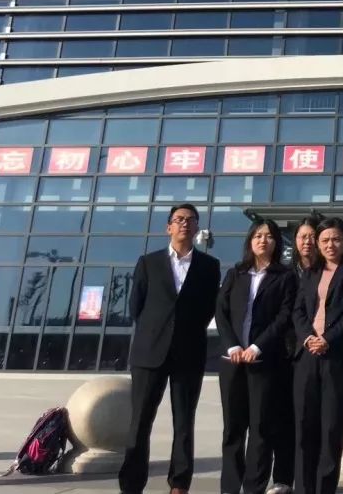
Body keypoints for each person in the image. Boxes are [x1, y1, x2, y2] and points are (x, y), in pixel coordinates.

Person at [119, 203, 221, 494]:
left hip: (188, 353)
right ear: (169, 227)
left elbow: (208, 308)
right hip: (149, 353)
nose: (185, 223)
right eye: (179, 219)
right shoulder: (148, 262)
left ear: (197, 227)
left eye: (191, 220)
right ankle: (131, 485)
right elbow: (136, 306)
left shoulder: (209, 266)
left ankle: (179, 483)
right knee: (140, 422)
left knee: (184, 423)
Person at [215, 220, 299, 494]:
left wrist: (257, 347)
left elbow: (284, 316)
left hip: (264, 362)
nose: (263, 240)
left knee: (261, 428)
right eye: (258, 235)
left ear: (277, 243)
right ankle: (230, 487)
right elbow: (221, 312)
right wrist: (232, 346)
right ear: (250, 241)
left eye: (269, 236)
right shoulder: (236, 273)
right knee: (233, 428)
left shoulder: (285, 276)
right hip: (233, 362)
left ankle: (254, 487)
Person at [291, 217, 343, 494]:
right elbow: (298, 310)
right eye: (324, 240)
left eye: (336, 239)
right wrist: (308, 337)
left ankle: (325, 488)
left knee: (331, 426)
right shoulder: (310, 272)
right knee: (304, 425)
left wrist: (327, 339)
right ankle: (304, 487)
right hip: (307, 355)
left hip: (336, 356)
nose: (330, 244)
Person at [269, 215, 323, 494]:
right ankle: (282, 478)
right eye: (302, 236)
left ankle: (312, 479)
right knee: (284, 419)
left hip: (318, 352)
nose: (307, 242)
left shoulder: (328, 272)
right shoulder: (285, 273)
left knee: (314, 420)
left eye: (312, 236)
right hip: (286, 353)